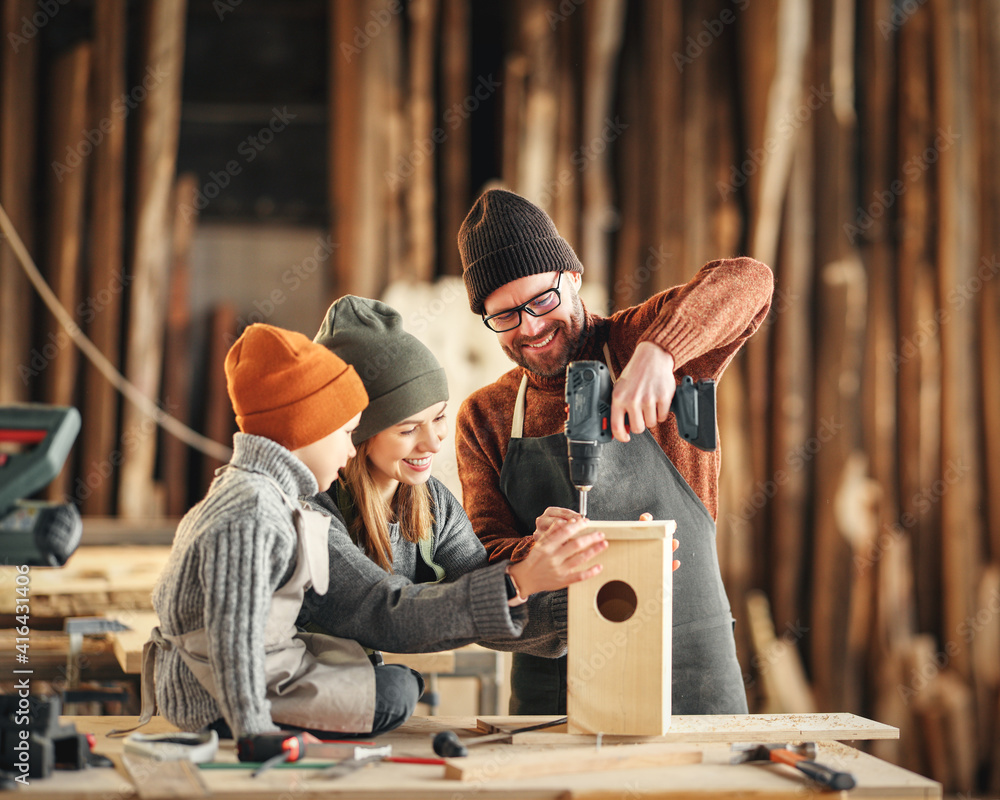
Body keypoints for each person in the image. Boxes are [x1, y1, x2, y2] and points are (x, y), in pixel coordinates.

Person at [454, 188, 774, 715]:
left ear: (572, 277)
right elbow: (482, 555)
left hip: (688, 673)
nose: (530, 328)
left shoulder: (639, 341)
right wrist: (534, 553)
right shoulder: (484, 416)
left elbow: (749, 279)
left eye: (542, 301)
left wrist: (660, 353)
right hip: (556, 687)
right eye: (505, 316)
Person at [297, 295, 612, 666]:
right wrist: (520, 580)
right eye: (409, 429)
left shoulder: (431, 503)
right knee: (396, 691)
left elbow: (487, 613)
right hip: (286, 694)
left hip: (350, 688)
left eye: (439, 417)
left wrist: (595, 596)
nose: (433, 443)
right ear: (356, 433)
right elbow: (383, 613)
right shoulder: (311, 512)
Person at [143, 323, 400, 741]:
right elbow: (234, 636)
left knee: (379, 675)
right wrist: (256, 733)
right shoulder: (253, 509)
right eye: (347, 433)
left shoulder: (261, 490)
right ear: (306, 428)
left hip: (249, 673)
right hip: (214, 703)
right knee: (396, 694)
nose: (352, 451)